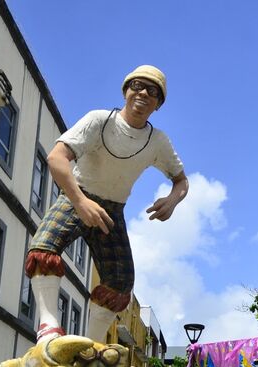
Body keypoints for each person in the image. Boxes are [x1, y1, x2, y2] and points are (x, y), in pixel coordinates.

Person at [25, 65, 188, 351]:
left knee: (121, 281)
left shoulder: (158, 141)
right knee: (43, 248)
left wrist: (172, 201)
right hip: (77, 195)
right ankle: (49, 325)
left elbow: (181, 180)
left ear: (158, 104)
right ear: (126, 90)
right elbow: (57, 158)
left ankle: (92, 345)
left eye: (152, 91)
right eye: (137, 85)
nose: (143, 93)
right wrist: (80, 201)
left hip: (112, 211)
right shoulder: (100, 120)